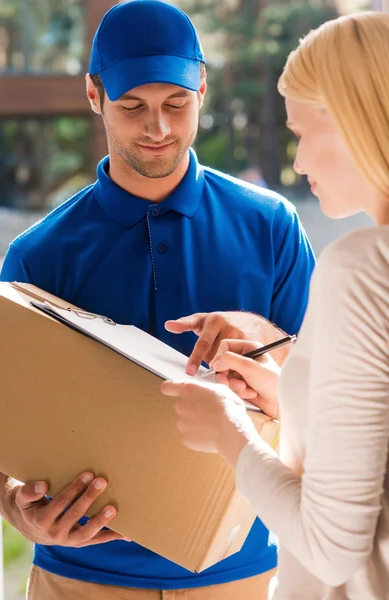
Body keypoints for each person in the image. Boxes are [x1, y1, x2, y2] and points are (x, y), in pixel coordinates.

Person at [0, 2, 314, 599]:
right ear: (94, 95)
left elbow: (328, 390)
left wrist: (259, 337)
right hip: (78, 580)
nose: (158, 128)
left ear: (202, 89)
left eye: (176, 104)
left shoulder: (271, 225)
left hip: (239, 575)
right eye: (132, 107)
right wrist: (13, 506)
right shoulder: (40, 255)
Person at [162, 11, 389, 599]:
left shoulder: (364, 268)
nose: (299, 162)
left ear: (357, 120)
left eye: (302, 133)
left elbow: (329, 548)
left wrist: (231, 433)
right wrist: (292, 400)